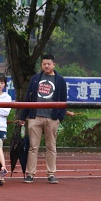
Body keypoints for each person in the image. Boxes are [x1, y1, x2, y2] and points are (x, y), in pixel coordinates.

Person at [18, 54, 67, 184]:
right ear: (41, 65)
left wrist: (60, 117)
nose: (46, 66)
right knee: (33, 147)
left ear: (54, 65)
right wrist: (23, 116)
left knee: (51, 146)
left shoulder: (60, 80)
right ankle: (30, 174)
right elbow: (28, 98)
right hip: (35, 117)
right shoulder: (35, 79)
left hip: (52, 118)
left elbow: (64, 100)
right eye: (44, 64)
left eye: (49, 64)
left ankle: (51, 173)